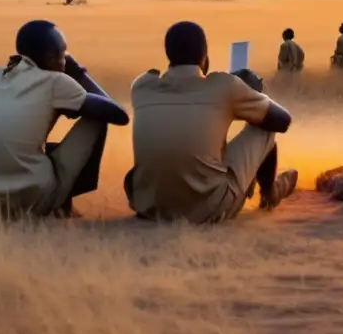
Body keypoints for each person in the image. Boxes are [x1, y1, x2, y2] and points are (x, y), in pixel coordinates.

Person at [0, 20, 129, 219]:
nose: (64, 60)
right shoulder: (56, 81)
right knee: (97, 119)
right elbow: (118, 114)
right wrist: (77, 71)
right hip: (30, 198)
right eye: (63, 55)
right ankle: (62, 206)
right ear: (52, 57)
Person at [125, 21, 297, 223]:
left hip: (150, 207)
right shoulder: (225, 87)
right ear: (204, 57)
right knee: (264, 128)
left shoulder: (142, 87)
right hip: (209, 209)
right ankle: (270, 193)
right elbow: (282, 120)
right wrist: (251, 93)